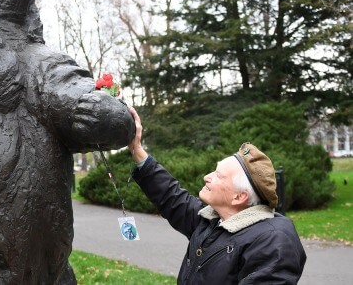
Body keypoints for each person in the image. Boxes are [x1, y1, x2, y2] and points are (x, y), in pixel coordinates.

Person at [127, 107, 306, 284]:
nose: (207, 177)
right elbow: (172, 197)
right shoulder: (214, 220)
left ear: (239, 197)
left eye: (218, 175)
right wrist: (136, 148)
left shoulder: (272, 242)